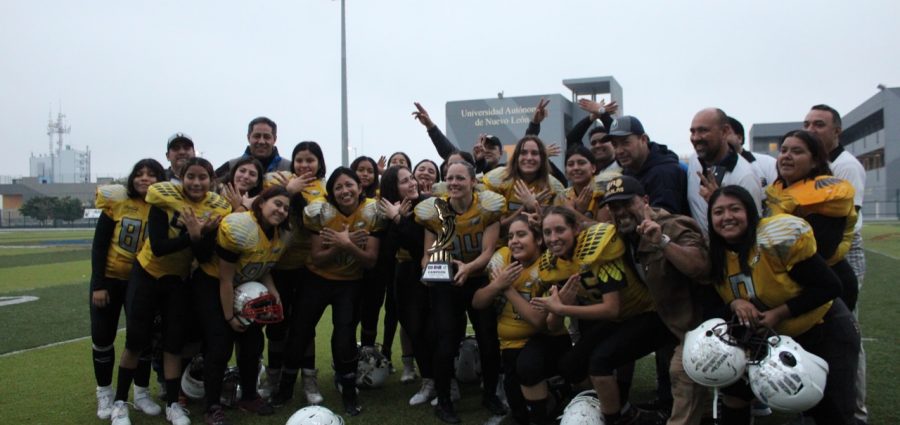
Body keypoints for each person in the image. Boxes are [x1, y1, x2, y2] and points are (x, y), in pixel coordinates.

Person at [706, 185, 860, 425]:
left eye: (734, 209)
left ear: (749, 211)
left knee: (827, 406)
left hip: (823, 326)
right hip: (773, 335)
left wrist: (779, 313)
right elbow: (713, 304)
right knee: (736, 391)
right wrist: (735, 303)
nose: (726, 217)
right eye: (718, 212)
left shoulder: (775, 239)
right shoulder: (717, 253)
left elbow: (830, 286)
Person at [110, 157, 231, 425]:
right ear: (182, 178)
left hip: (177, 279)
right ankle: (119, 402)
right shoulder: (163, 197)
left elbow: (202, 253)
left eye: (203, 177)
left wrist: (199, 236)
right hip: (148, 273)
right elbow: (160, 246)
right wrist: (193, 233)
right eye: (191, 176)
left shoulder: (215, 207)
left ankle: (174, 404)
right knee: (135, 340)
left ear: (211, 181)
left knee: (173, 343)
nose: (197, 182)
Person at [531, 206, 662, 425]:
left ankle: (615, 419)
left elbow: (612, 309)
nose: (553, 238)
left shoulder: (598, 251)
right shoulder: (555, 264)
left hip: (646, 315)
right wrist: (559, 305)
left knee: (600, 363)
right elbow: (553, 326)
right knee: (570, 364)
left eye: (559, 230)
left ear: (574, 229)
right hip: (619, 320)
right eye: (547, 232)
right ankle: (619, 408)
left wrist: (563, 309)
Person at [273, 167, 383, 417]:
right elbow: (318, 258)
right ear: (331, 192)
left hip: (350, 282)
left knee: (344, 336)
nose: (345, 191)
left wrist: (345, 243)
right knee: (299, 332)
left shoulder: (372, 211)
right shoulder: (319, 211)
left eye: (349, 185)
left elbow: (370, 261)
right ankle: (285, 389)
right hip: (317, 279)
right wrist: (341, 245)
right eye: (338, 187)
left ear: (359, 187)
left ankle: (348, 393)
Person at [601, 175, 711, 425]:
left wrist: (663, 242)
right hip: (666, 319)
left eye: (627, 203)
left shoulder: (673, 226)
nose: (620, 211)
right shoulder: (624, 234)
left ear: (646, 201)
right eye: (613, 207)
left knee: (682, 372)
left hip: (696, 323)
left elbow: (701, 267)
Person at [415, 161, 508, 423]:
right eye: (450, 178)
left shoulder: (487, 208)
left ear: (473, 181)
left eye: (460, 178)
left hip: (479, 279)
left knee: (489, 341)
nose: (454, 183)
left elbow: (488, 251)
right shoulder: (435, 211)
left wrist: (468, 268)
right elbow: (427, 255)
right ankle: (444, 400)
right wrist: (428, 272)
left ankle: (490, 393)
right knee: (446, 342)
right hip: (448, 283)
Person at [193, 186, 291, 424]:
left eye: (286, 208)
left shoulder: (280, 233)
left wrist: (273, 289)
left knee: (253, 342)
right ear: (261, 203)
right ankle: (212, 405)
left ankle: (248, 396)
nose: (281, 210)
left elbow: (263, 266)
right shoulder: (241, 226)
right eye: (277, 204)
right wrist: (229, 317)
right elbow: (226, 278)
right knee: (220, 344)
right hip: (213, 284)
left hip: (245, 287)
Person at [802, 104, 868, 425]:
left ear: (836, 131)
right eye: (807, 124)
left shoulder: (845, 167)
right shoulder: (813, 168)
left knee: (846, 334)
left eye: (819, 124)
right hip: (815, 256)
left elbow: (843, 226)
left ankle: (855, 409)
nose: (812, 129)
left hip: (839, 256)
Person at [473, 215, 570, 425]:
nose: (514, 240)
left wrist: (507, 289)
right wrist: (496, 286)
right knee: (517, 410)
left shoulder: (548, 266)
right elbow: (478, 302)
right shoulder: (503, 258)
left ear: (538, 240)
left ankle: (556, 395)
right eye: (510, 236)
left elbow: (538, 321)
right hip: (509, 347)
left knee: (528, 369)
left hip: (544, 341)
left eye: (521, 234)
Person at [91, 159, 165, 420]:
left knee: (140, 338)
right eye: (140, 174)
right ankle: (104, 392)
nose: (144, 179)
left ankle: (142, 392)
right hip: (110, 277)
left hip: (142, 280)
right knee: (103, 336)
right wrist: (98, 283)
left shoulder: (162, 206)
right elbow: (100, 245)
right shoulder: (118, 201)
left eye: (152, 174)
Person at [263, 141, 327, 405]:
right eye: (299, 160)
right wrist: (287, 191)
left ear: (319, 163)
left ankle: (309, 379)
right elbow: (265, 215)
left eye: (310, 160)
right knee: (276, 327)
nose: (304, 165)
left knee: (304, 326)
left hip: (308, 268)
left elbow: (319, 223)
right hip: (277, 266)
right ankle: (273, 377)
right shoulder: (278, 180)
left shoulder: (325, 188)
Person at [765, 130, 859, 311]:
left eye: (797, 151)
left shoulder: (827, 196)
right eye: (783, 150)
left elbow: (820, 251)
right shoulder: (778, 190)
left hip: (828, 286)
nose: (786, 156)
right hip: (798, 285)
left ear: (815, 160)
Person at [379, 165, 436, 404]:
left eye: (412, 178)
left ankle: (446, 381)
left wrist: (399, 219)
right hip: (404, 275)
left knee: (437, 328)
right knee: (414, 328)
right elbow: (388, 252)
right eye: (405, 181)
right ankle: (428, 381)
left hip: (431, 272)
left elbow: (418, 243)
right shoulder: (385, 210)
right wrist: (394, 220)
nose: (412, 183)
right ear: (393, 188)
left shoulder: (429, 204)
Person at [686, 108, 762, 235]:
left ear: (725, 131)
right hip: (698, 249)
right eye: (693, 132)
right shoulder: (695, 160)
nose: (696, 137)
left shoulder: (745, 176)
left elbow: (753, 228)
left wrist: (718, 202)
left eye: (703, 130)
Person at [482, 135, 565, 236]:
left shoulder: (554, 187)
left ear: (543, 158)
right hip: (503, 244)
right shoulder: (496, 179)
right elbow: (498, 230)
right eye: (523, 153)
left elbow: (557, 230)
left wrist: (537, 209)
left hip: (538, 244)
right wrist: (525, 208)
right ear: (516, 157)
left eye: (534, 153)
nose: (529, 158)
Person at [605, 116, 688, 215]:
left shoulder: (664, 172)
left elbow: (666, 221)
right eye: (615, 145)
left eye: (625, 143)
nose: (619, 151)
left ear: (643, 139)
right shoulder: (630, 169)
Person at [216, 117, 292, 179]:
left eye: (266, 137)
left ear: (274, 139)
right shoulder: (231, 166)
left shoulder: (289, 168)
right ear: (248, 137)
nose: (261, 141)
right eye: (257, 136)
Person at [566, 98, 621, 175]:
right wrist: (591, 117)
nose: (597, 145)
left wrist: (602, 112)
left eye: (603, 141)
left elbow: (618, 135)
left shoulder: (622, 163)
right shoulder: (588, 170)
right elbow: (572, 140)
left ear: (614, 144)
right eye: (593, 143)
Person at [724, 116, 777, 190]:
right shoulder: (707, 168)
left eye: (725, 132)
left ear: (739, 138)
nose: (721, 138)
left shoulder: (768, 163)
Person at [562, 144, 608, 226]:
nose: (576, 168)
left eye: (581, 163)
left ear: (593, 168)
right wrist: (578, 211)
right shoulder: (562, 196)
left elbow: (604, 228)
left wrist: (570, 211)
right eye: (570, 164)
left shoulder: (604, 190)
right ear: (566, 173)